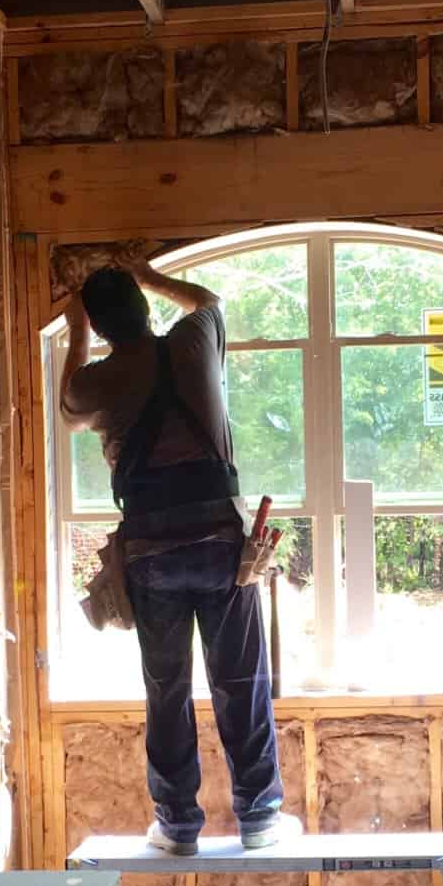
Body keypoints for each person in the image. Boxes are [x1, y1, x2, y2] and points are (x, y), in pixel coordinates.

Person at [59, 258, 300, 854]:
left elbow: (68, 408)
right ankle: (260, 817)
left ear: (102, 326)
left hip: (150, 553)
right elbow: (207, 300)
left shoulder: (100, 380)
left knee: (166, 688)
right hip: (222, 547)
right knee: (240, 680)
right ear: (144, 307)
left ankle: (177, 825)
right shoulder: (193, 341)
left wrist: (76, 326)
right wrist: (149, 273)